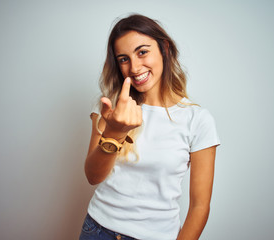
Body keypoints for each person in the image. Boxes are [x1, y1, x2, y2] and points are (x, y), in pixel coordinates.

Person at [79, 14, 220, 240]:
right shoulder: (112, 107)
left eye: (142, 52)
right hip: (97, 229)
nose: (134, 67)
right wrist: (115, 132)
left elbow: (199, 207)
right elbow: (93, 176)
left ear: (164, 48)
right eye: (124, 59)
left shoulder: (198, 119)